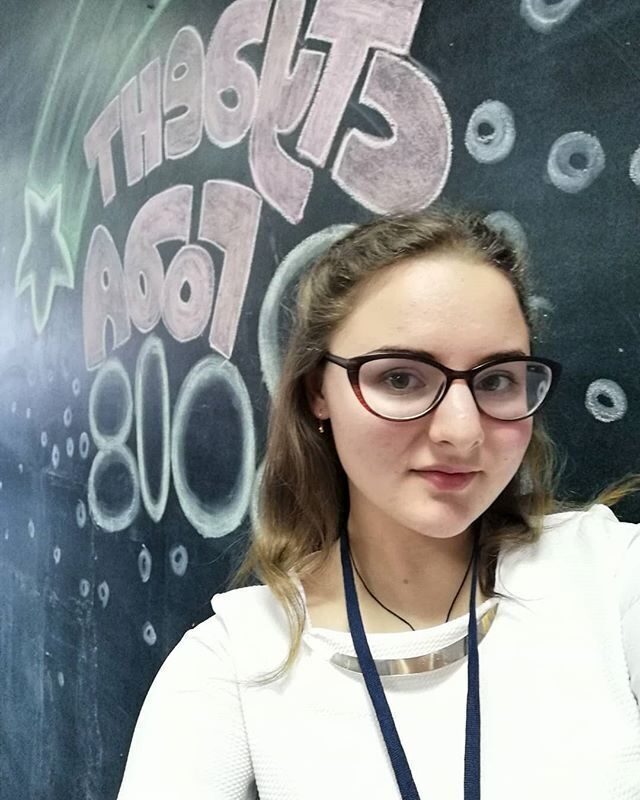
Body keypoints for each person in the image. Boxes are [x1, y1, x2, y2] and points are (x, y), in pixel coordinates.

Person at [116, 207, 640, 799]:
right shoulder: (235, 664)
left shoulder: (609, 575)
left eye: (497, 380)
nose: (462, 432)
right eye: (400, 378)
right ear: (318, 393)